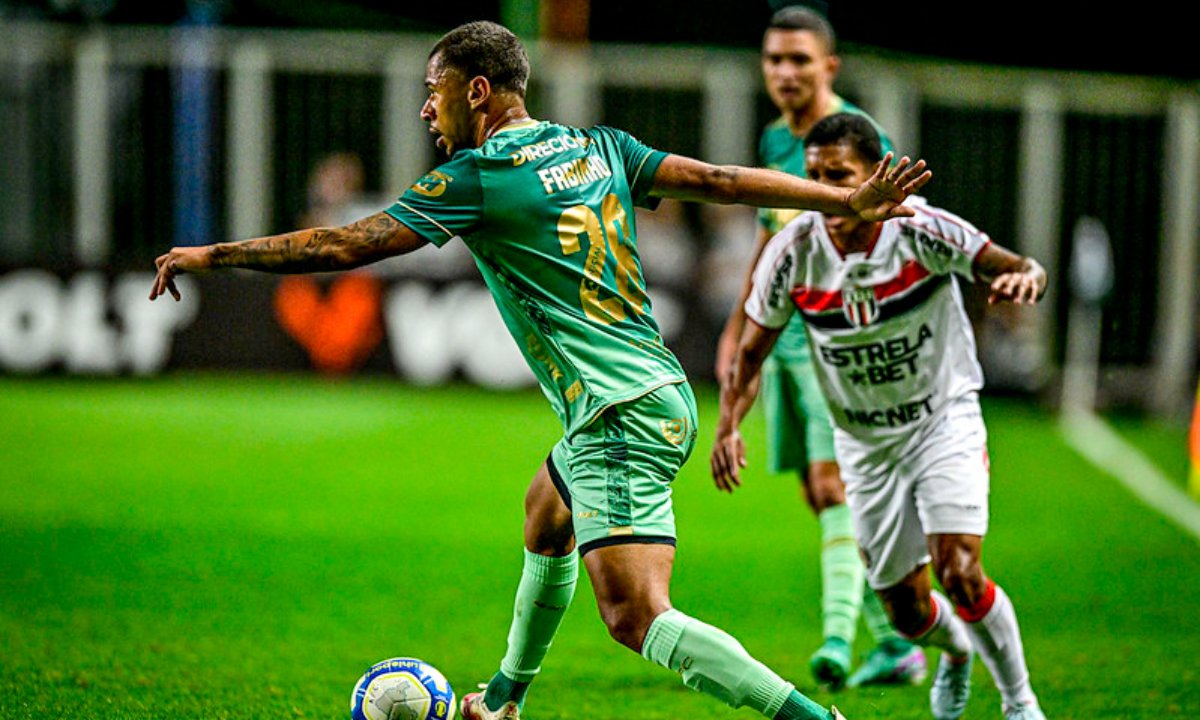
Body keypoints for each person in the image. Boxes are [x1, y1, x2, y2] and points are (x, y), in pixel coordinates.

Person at [150, 22, 930, 720]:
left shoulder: (479, 177)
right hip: (652, 390)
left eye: (434, 90)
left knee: (636, 617)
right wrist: (843, 202)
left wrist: (215, 255)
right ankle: (503, 699)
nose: (425, 109)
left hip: (618, 415)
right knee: (545, 513)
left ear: (476, 91)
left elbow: (343, 244)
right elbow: (722, 181)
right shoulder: (601, 147)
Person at [711, 112, 1047, 720]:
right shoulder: (793, 252)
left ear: (874, 175)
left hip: (942, 421)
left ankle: (1019, 703)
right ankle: (957, 651)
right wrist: (729, 426)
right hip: (866, 445)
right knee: (907, 613)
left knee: (960, 569)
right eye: (814, 177)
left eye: (839, 175)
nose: (825, 190)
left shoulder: (921, 230)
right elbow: (750, 353)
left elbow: (1020, 266)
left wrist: (1028, 279)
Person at [712, 5, 924, 689]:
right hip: (783, 333)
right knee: (815, 488)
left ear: (829, 65)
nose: (785, 72)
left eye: (799, 59)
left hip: (838, 335)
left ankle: (839, 639)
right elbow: (768, 238)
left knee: (837, 485)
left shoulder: (861, 137)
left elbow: (897, 232)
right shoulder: (777, 138)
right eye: (774, 59)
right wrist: (738, 327)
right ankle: (895, 641)